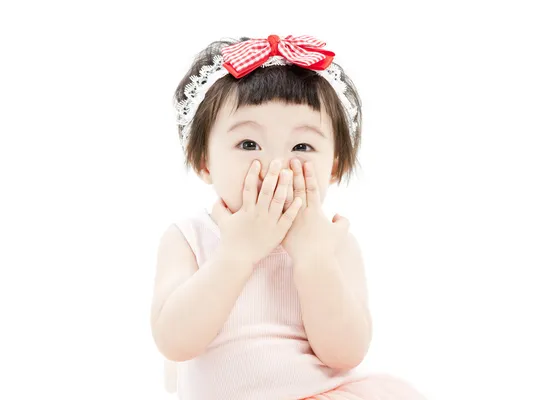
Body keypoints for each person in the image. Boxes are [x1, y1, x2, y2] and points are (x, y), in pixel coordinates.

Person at [150, 34, 427, 400]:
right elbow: (174, 342)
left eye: (302, 146)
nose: (276, 164)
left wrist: (314, 258)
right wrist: (236, 255)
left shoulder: (333, 242)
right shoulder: (189, 238)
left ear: (334, 166)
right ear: (204, 162)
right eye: (248, 144)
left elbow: (345, 353)